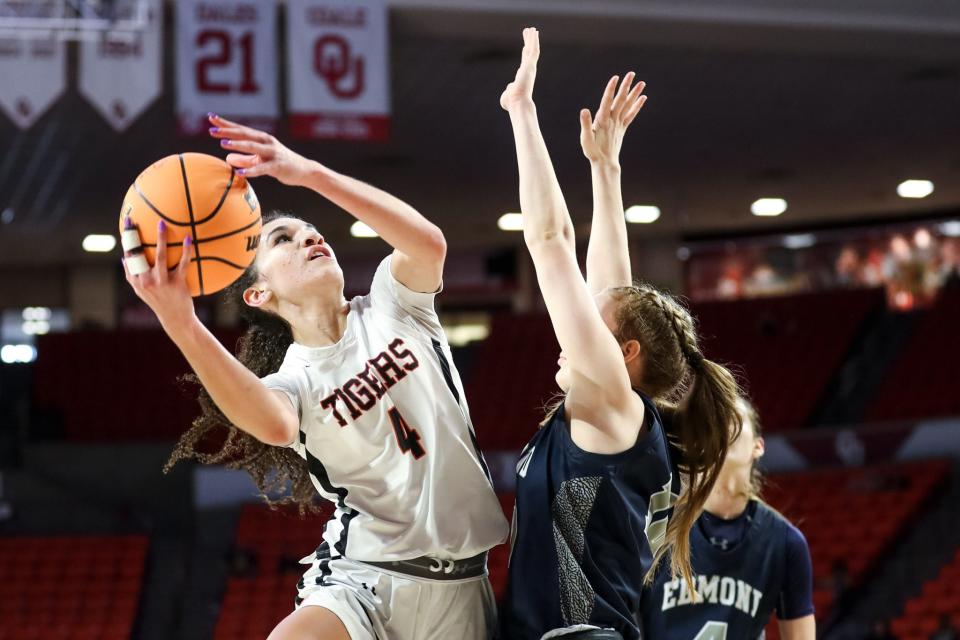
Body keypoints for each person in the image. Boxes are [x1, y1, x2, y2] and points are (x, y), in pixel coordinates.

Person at [122, 115, 508, 640]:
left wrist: (309, 174)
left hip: (464, 587)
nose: (309, 237)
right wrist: (182, 322)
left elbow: (429, 245)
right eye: (284, 239)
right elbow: (275, 426)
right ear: (259, 295)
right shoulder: (292, 384)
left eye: (312, 231)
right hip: (363, 582)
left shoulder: (393, 306)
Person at [498, 29, 742, 640]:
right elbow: (614, 286)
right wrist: (605, 171)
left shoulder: (612, 404)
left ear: (623, 354)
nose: (572, 321)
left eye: (589, 317)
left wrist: (523, 114)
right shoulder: (619, 408)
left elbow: (550, 242)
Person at [639, 397, 816, 639]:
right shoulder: (658, 524)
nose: (721, 427)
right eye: (713, 421)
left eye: (731, 420)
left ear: (758, 446)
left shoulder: (786, 543)